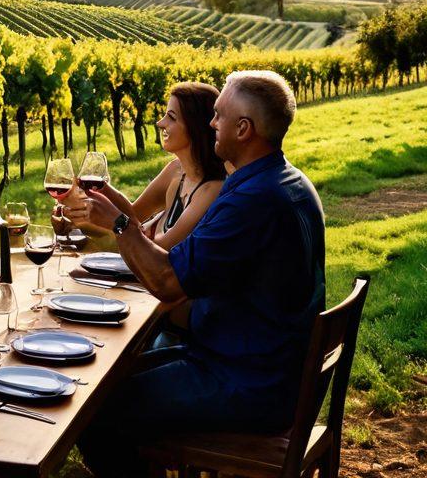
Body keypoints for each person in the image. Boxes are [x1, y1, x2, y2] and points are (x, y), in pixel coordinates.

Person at [65, 71, 325, 478]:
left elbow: (167, 280)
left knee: (92, 413)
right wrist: (123, 215)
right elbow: (185, 263)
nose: (211, 123)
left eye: (219, 116)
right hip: (250, 363)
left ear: (244, 129)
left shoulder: (254, 200)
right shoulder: (283, 181)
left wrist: (120, 225)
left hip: (246, 383)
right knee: (102, 384)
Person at [95, 82, 226, 249]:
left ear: (195, 126)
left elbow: (162, 252)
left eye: (171, 117)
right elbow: (135, 214)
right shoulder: (176, 170)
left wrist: (114, 220)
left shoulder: (211, 189)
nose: (160, 123)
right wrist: (101, 190)